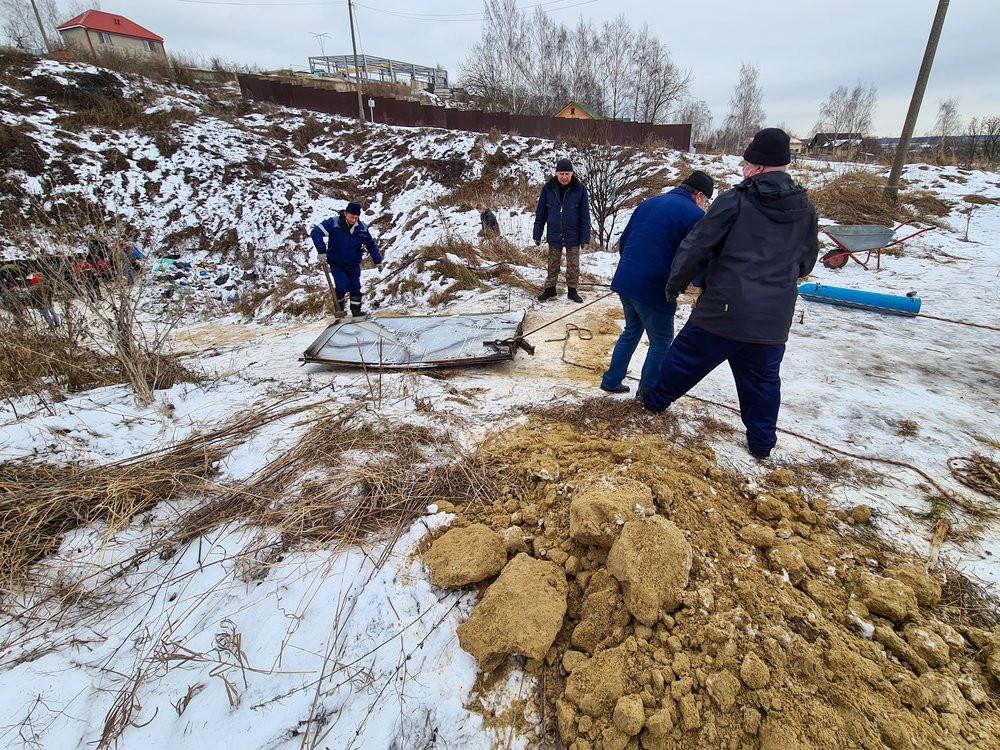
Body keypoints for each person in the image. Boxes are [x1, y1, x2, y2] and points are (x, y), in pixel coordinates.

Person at [642, 128, 819, 460]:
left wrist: (675, 284)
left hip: (723, 311)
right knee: (763, 383)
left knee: (683, 361)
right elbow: (807, 261)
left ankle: (651, 404)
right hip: (772, 320)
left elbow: (696, 246)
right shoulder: (805, 208)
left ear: (758, 165)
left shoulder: (736, 200)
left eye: (746, 162)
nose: (742, 167)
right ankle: (762, 444)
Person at [599, 171, 714, 395]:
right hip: (654, 285)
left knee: (632, 330)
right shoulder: (693, 215)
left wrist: (631, 269)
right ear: (699, 195)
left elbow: (624, 240)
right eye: (706, 201)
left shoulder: (650, 202)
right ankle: (648, 393)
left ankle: (611, 380)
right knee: (661, 341)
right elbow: (694, 256)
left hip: (626, 278)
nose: (704, 206)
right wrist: (704, 283)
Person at [310, 201, 383, 318]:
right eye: (351, 217)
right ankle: (339, 308)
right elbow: (316, 232)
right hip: (337, 263)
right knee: (342, 285)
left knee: (355, 287)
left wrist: (378, 260)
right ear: (345, 213)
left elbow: (370, 244)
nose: (354, 220)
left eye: (356, 217)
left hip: (353, 263)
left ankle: (356, 311)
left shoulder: (362, 228)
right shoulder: (333, 223)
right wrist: (321, 250)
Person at [533, 157, 591, 303]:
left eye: (567, 174)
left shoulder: (580, 189)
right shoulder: (548, 189)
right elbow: (541, 214)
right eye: (561, 174)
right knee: (552, 264)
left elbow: (585, 215)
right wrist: (537, 234)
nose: (564, 177)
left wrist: (585, 237)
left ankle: (572, 290)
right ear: (556, 174)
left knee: (573, 265)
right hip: (554, 234)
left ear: (571, 174)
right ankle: (550, 289)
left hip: (573, 235)